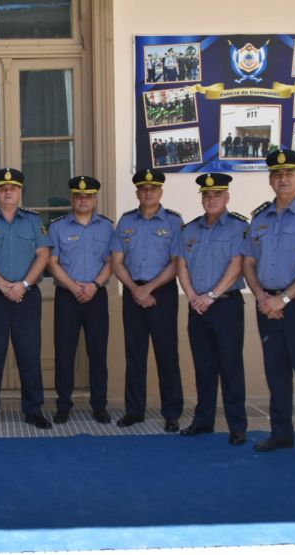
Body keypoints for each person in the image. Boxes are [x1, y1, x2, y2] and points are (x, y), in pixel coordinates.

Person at [242, 149, 295, 465]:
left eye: (289, 174)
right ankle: (281, 433)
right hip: (267, 304)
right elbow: (249, 262)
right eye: (277, 174)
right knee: (276, 372)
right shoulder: (260, 216)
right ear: (270, 179)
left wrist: (285, 299)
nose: (282, 179)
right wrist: (262, 297)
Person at [0, 168, 53, 432]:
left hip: (27, 297)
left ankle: (33, 410)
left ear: (20, 192)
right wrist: (3, 285)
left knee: (29, 355)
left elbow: (43, 254)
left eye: (13, 188)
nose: (8, 192)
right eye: (3, 188)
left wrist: (24, 284)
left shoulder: (33, 221)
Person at [175, 173, 249, 445]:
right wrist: (193, 296)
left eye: (217, 194)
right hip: (197, 307)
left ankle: (237, 425)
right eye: (206, 195)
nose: (211, 199)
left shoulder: (238, 227)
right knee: (203, 367)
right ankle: (203, 421)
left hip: (226, 305)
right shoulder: (190, 229)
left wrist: (212, 295)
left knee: (230, 366)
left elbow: (237, 264)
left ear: (226, 197)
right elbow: (181, 264)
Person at [111, 168, 184, 432]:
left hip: (162, 293)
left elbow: (178, 263)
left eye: (153, 189)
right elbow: (117, 261)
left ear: (160, 192)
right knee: (135, 355)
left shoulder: (174, 222)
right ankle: (134, 411)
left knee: (167, 354)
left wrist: (149, 288)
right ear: (137, 193)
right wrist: (134, 288)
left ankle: (172, 412)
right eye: (143, 189)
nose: (148, 192)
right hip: (133, 293)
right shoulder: (126, 221)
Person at [46, 176, 114, 425]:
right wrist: (74, 287)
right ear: (72, 198)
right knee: (64, 353)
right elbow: (52, 263)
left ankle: (99, 406)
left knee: (98, 353)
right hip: (67, 296)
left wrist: (95, 285)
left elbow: (111, 262)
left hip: (97, 296)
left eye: (87, 196)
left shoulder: (107, 227)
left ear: (95, 199)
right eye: (78, 195)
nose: (83, 200)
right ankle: (63, 405)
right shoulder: (58, 227)